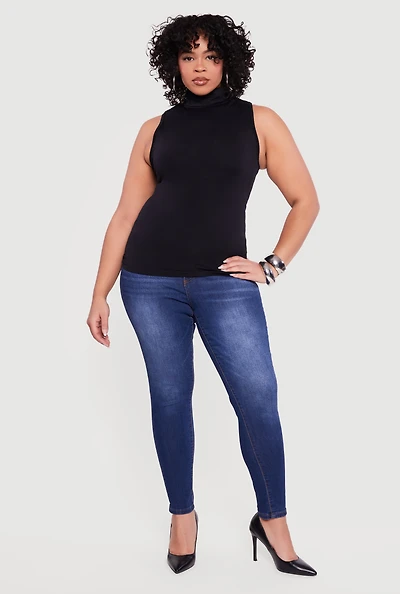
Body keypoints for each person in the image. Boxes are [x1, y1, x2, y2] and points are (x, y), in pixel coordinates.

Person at [86, 13, 320, 576]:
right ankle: (182, 517)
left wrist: (271, 266)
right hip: (149, 282)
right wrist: (100, 293)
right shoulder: (155, 129)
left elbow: (306, 201)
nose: (199, 67)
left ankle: (273, 521)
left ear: (228, 62)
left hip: (225, 285)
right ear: (173, 62)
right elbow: (125, 216)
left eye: (211, 56)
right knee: (170, 400)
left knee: (257, 399)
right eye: (188, 56)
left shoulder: (259, 122)